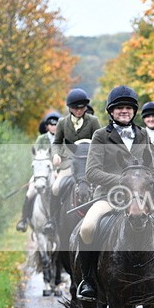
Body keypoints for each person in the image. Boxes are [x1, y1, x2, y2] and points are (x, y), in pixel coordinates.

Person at [75, 85, 154, 302]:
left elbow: (150, 168)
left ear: (134, 111)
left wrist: (148, 186)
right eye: (119, 108)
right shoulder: (100, 136)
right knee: (87, 228)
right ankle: (88, 281)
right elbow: (91, 171)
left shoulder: (141, 134)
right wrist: (123, 182)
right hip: (108, 195)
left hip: (142, 196)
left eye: (128, 108)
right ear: (111, 111)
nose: (124, 111)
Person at [50, 88, 101, 230]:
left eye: (82, 108)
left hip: (89, 163)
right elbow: (57, 142)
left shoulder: (93, 121)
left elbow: (101, 141)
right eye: (75, 108)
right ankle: (52, 220)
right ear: (70, 108)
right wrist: (56, 155)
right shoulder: (62, 122)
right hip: (69, 164)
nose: (79, 111)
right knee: (55, 188)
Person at [16, 112, 61, 232]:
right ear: (47, 126)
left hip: (58, 172)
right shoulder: (41, 139)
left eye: (56, 123)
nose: (54, 126)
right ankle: (24, 219)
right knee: (30, 192)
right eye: (51, 123)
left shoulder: (62, 138)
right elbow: (35, 156)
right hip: (41, 172)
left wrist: (58, 170)